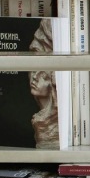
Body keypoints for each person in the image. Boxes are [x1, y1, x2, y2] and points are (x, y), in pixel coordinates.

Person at [28, 19, 59, 149]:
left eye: (43, 75)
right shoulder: (40, 119)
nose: (34, 77)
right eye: (34, 71)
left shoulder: (54, 123)